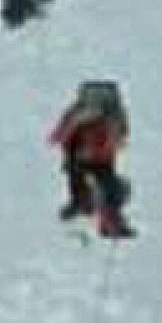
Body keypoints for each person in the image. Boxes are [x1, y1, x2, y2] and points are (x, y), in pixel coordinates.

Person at [48, 80, 134, 239]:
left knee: (89, 180)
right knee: (102, 183)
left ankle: (92, 209)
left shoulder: (80, 112)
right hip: (94, 158)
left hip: (87, 157)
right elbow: (119, 136)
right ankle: (105, 216)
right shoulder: (112, 114)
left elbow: (59, 133)